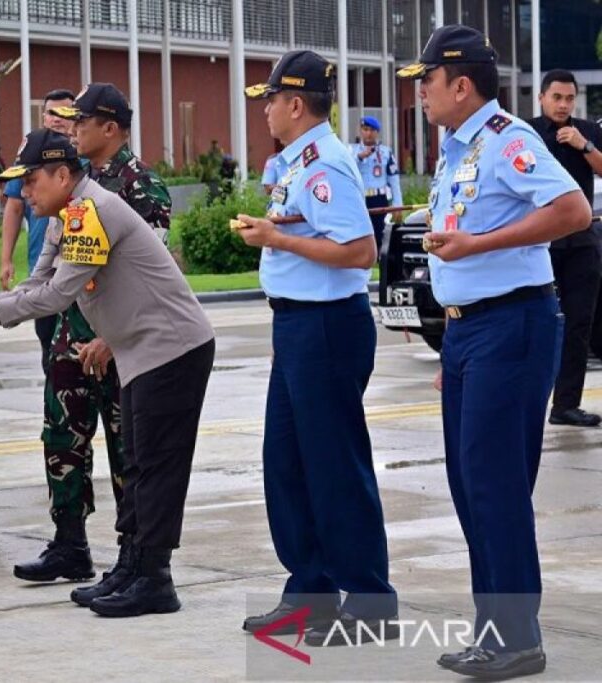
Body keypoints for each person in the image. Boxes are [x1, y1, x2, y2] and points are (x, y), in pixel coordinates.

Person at [0, 129, 215, 618]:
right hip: (141, 351)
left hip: (172, 349)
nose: (25, 193)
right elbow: (37, 282)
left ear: (63, 175)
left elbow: (57, 295)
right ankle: (131, 567)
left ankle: (156, 579)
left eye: (31, 181)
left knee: (153, 467)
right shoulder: (64, 216)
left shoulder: (93, 212)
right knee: (137, 464)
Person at [398, 25, 591, 679]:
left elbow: (573, 210)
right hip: (469, 334)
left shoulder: (509, 138)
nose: (419, 93)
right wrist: (454, 340)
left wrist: (478, 248)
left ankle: (517, 636)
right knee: (467, 484)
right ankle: (495, 629)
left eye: (425, 81)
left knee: (495, 484)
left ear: (459, 84)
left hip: (513, 326)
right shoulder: (455, 147)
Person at [237, 50, 398, 647]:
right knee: (287, 463)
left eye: (272, 100)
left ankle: (369, 597)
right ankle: (310, 591)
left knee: (332, 465)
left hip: (327, 326)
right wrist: (276, 233)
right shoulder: (298, 161)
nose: (267, 111)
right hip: (299, 325)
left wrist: (277, 236)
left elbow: (360, 251)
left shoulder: (326, 163)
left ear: (296, 104)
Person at [38, 83, 173, 606]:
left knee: (127, 455)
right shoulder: (79, 185)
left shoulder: (142, 188)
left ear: (111, 127)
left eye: (83, 120)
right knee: (62, 441)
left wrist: (109, 339)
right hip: (71, 337)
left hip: (114, 346)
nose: (73, 127)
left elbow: (148, 279)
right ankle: (69, 543)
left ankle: (131, 559)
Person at [529, 70, 602, 427]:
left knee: (578, 325)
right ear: (542, 97)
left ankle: (566, 405)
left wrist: (584, 146)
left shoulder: (587, 132)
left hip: (582, 243)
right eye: (556, 97)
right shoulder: (523, 132)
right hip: (538, 243)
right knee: (533, 323)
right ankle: (526, 401)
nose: (563, 105)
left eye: (569, 98)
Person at [0, 88, 76, 373]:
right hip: (42, 270)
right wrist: (6, 259)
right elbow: (14, 208)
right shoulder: (28, 157)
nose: (56, 119)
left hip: (77, 271)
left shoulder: (81, 161)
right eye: (50, 113)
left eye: (63, 113)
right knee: (51, 351)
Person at [350, 116, 403, 251]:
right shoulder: (352, 151)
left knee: (381, 232)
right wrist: (360, 157)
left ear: (377, 132)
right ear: (360, 131)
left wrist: (398, 204)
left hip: (379, 198)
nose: (368, 133)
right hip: (360, 199)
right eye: (365, 129)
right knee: (361, 232)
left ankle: (381, 258)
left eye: (372, 130)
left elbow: (393, 178)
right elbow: (347, 172)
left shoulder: (385, 152)